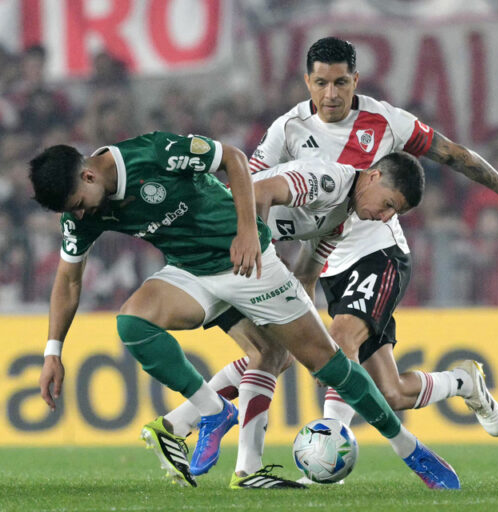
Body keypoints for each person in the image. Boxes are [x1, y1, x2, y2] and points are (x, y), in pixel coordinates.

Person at [164, 37, 498, 467]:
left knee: (338, 342)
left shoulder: (385, 121)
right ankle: (462, 383)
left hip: (378, 253)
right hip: (323, 259)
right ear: (307, 82)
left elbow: (454, 155)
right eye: (321, 83)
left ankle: (326, 447)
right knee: (387, 391)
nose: (331, 94)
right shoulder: (287, 129)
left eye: (341, 83)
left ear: (356, 81)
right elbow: (247, 188)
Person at [29, 132, 461, 491]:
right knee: (133, 322)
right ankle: (214, 413)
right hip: (192, 271)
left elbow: (231, 158)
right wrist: (53, 351)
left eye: (79, 203)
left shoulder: (150, 153)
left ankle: (409, 449)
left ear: (88, 174)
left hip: (249, 262)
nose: (81, 214)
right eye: (74, 211)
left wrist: (251, 239)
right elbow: (68, 281)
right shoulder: (81, 214)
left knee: (327, 364)